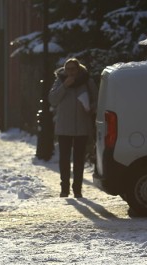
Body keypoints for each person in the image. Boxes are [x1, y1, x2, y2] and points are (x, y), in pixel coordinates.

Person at [48, 58, 98, 198]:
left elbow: (96, 100)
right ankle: (64, 188)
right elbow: (52, 99)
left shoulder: (87, 81)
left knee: (78, 159)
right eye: (67, 69)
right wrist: (64, 86)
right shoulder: (60, 80)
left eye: (73, 69)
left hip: (82, 125)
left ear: (78, 69)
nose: (70, 72)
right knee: (64, 159)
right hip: (64, 126)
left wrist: (90, 108)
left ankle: (77, 189)